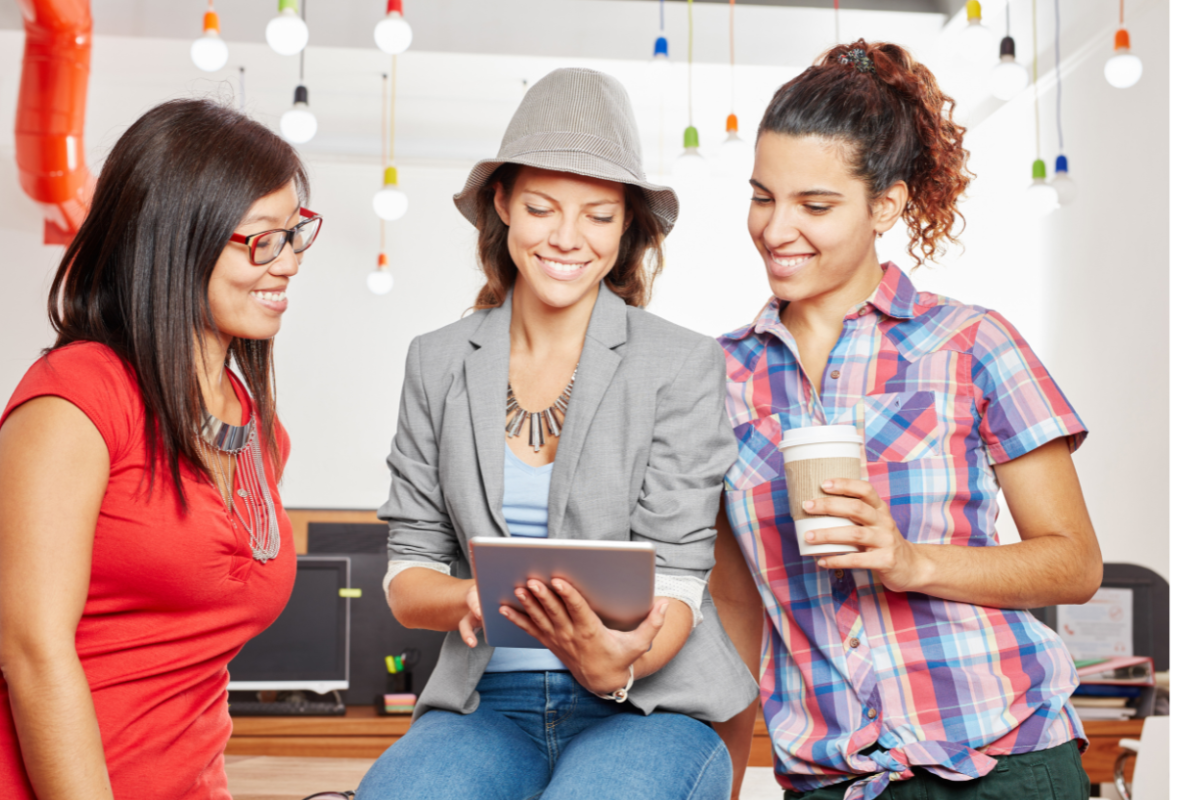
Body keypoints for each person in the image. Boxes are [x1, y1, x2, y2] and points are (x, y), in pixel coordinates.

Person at [709, 41, 1102, 800]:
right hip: (831, 779)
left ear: (884, 204)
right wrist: (719, 783)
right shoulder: (718, 378)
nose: (776, 228)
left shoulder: (971, 343)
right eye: (763, 196)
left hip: (1001, 762)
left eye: (815, 205)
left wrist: (910, 561)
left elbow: (1075, 563)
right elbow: (736, 607)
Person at [357, 68, 758, 800]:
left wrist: (619, 663)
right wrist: (470, 599)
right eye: (542, 208)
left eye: (599, 216)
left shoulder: (681, 361)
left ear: (628, 225)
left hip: (645, 703)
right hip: (486, 707)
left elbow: (676, 579)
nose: (568, 239)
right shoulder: (437, 361)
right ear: (503, 203)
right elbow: (409, 577)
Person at [0, 99, 319, 799]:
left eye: (296, 233)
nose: (289, 262)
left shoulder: (258, 429)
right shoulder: (75, 397)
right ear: (175, 239)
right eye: (263, 239)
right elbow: (31, 650)